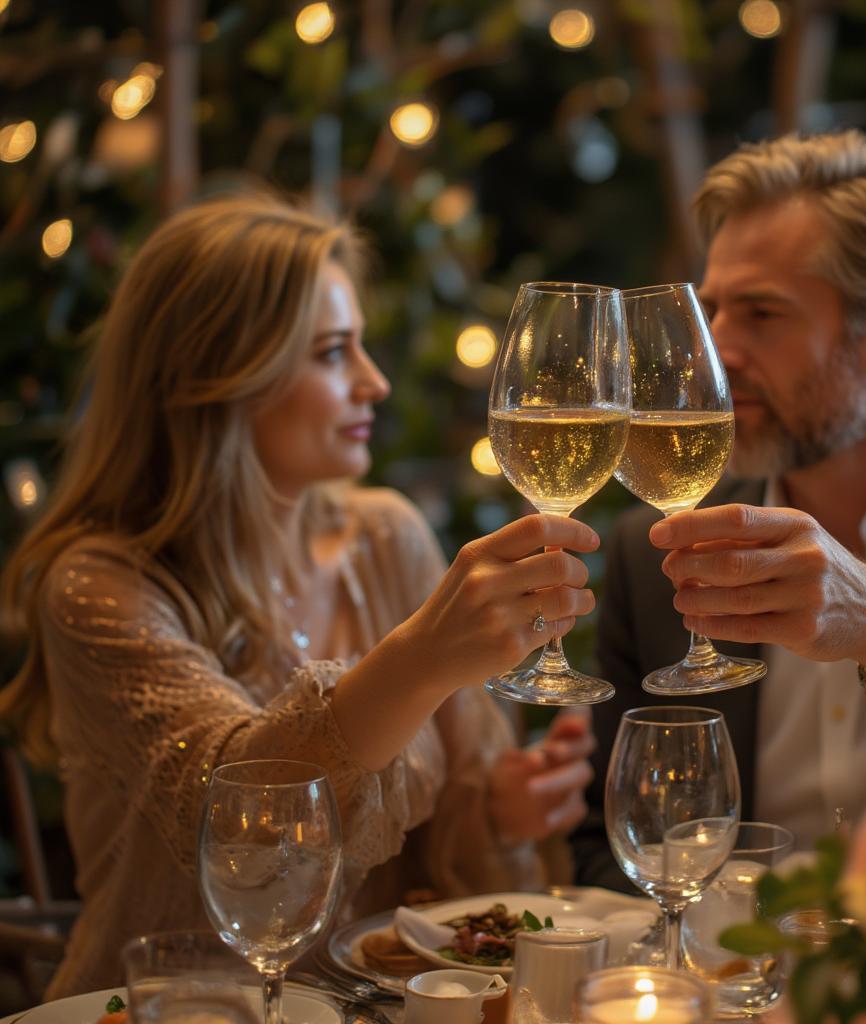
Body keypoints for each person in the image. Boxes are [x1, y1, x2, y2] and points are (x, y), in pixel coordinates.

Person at [0, 193, 599, 997]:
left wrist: (503, 809)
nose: (375, 382)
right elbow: (237, 821)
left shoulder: (387, 537)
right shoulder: (101, 586)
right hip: (167, 1014)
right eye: (330, 353)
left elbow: (453, 854)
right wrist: (417, 659)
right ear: (216, 376)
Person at [572, 130, 866, 888]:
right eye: (712, 309)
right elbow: (607, 847)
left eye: (762, 313)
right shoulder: (650, 553)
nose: (715, 351)